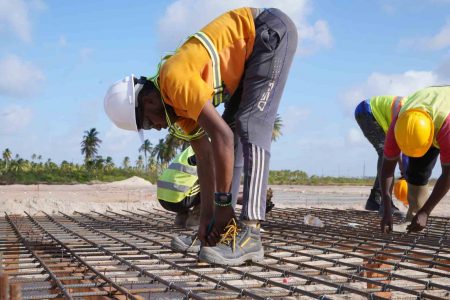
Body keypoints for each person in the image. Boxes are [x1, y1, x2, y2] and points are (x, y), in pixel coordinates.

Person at [104, 7, 297, 265]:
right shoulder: (177, 110)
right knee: (234, 129)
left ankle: (251, 231)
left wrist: (224, 203)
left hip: (268, 33)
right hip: (250, 54)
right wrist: (207, 216)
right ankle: (222, 233)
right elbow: (205, 156)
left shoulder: (174, 78)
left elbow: (221, 137)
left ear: (148, 100)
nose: (157, 128)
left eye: (149, 123)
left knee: (251, 123)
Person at [380, 85, 450, 233]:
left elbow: (448, 174)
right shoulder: (398, 125)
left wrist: (426, 211)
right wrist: (386, 207)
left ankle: (421, 214)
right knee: (417, 171)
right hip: (426, 112)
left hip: (443, 115)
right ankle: (414, 217)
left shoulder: (446, 126)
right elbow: (387, 168)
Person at [354, 96, 407, 215]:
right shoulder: (404, 110)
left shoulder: (409, 117)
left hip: (368, 112)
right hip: (366, 111)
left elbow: (399, 146)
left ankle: (374, 200)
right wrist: (403, 168)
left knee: (386, 154)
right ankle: (385, 204)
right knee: (385, 153)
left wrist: (403, 168)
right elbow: (394, 146)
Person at [157, 146, 201, 228]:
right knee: (216, 182)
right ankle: (196, 218)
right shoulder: (212, 146)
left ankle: (181, 218)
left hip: (163, 198)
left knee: (188, 180)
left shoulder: (195, 145)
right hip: (179, 201)